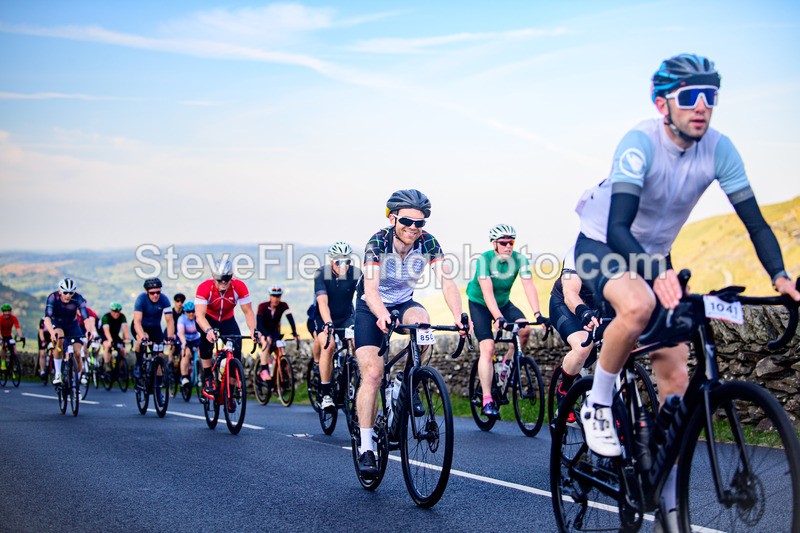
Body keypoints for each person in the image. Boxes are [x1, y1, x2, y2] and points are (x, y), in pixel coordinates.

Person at [573, 53, 800, 529]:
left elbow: (754, 221)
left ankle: (666, 496)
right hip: (603, 242)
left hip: (655, 251)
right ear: (663, 105)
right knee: (636, 305)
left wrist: (780, 277)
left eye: (711, 97)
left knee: (675, 369)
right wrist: (652, 272)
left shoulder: (719, 149)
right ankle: (597, 401)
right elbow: (618, 227)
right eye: (690, 97)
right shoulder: (640, 143)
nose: (702, 107)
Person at [354, 189, 469, 477]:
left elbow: (447, 281)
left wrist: (458, 315)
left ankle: (409, 385)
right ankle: (366, 446)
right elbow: (370, 289)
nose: (414, 228)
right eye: (407, 221)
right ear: (392, 218)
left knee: (424, 325)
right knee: (372, 374)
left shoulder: (428, 242)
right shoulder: (377, 242)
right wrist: (382, 315)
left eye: (420, 223)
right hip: (372, 305)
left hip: (403, 302)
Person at [465, 224, 544, 417]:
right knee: (488, 348)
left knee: (524, 330)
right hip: (480, 304)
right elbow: (487, 291)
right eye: (503, 243)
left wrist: (538, 314)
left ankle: (504, 368)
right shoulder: (485, 259)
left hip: (503, 303)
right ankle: (487, 400)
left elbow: (529, 286)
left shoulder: (520, 259)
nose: (508, 246)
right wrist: (497, 317)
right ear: (494, 244)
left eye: (511, 242)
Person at [194, 261, 257, 396]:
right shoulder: (204, 288)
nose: (223, 282)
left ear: (231, 276)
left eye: (226, 279)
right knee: (206, 342)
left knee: (237, 349)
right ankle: (208, 377)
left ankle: (230, 392)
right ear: (213, 276)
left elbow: (248, 312)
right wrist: (208, 331)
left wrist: (253, 330)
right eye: (219, 279)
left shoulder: (239, 287)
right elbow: (199, 316)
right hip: (208, 320)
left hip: (227, 320)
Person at [549, 246, 600, 408]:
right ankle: (564, 391)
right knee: (583, 347)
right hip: (566, 304)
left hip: (598, 306)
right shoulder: (578, 252)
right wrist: (583, 312)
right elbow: (570, 292)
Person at [313, 241, 360, 411]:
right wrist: (328, 323)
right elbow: (322, 303)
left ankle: (354, 379)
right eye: (339, 262)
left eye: (347, 261)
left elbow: (366, 297)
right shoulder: (322, 274)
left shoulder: (355, 273)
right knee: (329, 345)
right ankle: (326, 394)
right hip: (325, 318)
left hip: (347, 316)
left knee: (357, 343)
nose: (343, 266)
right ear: (332, 262)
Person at [43, 278, 98, 386]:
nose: (68, 295)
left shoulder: (78, 298)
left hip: (72, 325)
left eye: (71, 292)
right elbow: (47, 319)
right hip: (57, 323)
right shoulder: (53, 297)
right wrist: (52, 332)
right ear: (60, 291)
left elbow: (86, 318)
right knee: (59, 340)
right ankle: (58, 373)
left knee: (78, 353)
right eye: (65, 292)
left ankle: (76, 382)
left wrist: (88, 330)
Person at [132, 278, 175, 379]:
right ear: (147, 292)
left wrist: (170, 337)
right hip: (141, 327)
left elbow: (170, 321)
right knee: (140, 340)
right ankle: (138, 364)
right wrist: (143, 337)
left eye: (158, 292)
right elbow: (137, 322)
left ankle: (158, 389)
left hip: (155, 328)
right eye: (152, 293)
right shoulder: (141, 299)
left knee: (159, 356)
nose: (155, 295)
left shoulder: (164, 299)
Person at [255, 285, 299, 381]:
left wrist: (295, 333)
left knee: (281, 349)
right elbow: (258, 323)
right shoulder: (262, 306)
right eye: (274, 296)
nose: (276, 299)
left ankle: (281, 370)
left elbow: (290, 319)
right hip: (263, 331)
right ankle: (264, 370)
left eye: (278, 296)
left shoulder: (283, 305)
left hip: (275, 333)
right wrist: (265, 335)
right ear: (270, 296)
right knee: (266, 343)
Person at [100, 302, 131, 376]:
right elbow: (106, 331)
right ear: (111, 311)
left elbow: (125, 329)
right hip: (105, 335)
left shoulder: (122, 316)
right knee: (107, 346)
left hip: (115, 335)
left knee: (123, 350)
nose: (116, 314)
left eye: (118, 312)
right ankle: (107, 365)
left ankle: (118, 369)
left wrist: (127, 338)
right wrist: (110, 340)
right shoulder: (106, 317)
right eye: (114, 311)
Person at [177, 301, 201, 386]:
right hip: (184, 339)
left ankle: (200, 375)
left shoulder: (197, 318)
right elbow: (181, 333)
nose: (191, 314)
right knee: (186, 354)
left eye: (193, 311)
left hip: (195, 339)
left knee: (202, 354)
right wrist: (184, 344)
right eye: (188, 312)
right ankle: (184, 377)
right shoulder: (182, 319)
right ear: (185, 312)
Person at [0, 303, 23, 374]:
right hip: (1, 335)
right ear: (3, 312)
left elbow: (18, 328)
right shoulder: (0, 319)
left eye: (8, 311)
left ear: (10, 311)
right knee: (4, 347)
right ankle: (3, 364)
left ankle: (13, 364)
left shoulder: (13, 318)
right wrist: (1, 339)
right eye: (5, 311)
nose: (7, 313)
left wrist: (21, 337)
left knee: (13, 348)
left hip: (9, 336)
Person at [37, 316, 51, 380]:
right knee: (42, 353)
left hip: (51, 335)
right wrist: (42, 341)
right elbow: (41, 331)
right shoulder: (43, 319)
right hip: (43, 335)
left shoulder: (56, 318)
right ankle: (42, 371)